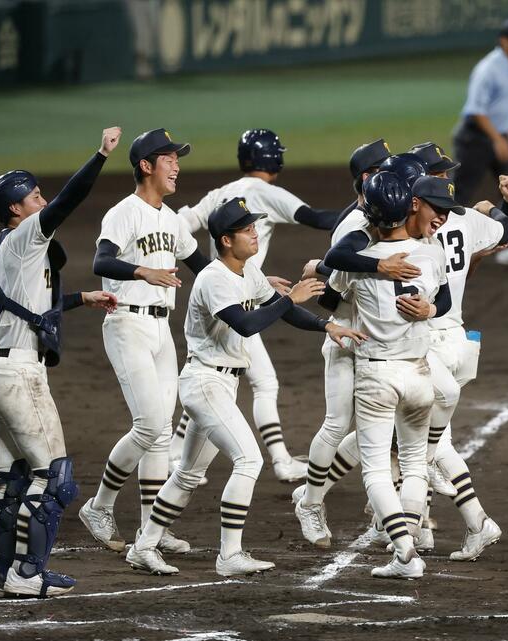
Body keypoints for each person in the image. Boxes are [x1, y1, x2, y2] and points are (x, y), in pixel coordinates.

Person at [124, 198, 365, 576]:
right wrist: (288, 300)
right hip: (206, 382)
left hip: (220, 382)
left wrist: (325, 325)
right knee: (249, 460)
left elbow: (279, 307)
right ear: (225, 239)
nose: (255, 234)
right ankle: (230, 555)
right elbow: (247, 324)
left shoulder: (246, 270)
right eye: (247, 229)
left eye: (254, 227)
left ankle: (144, 545)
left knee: (187, 473)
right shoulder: (214, 278)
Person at [0, 127, 121, 597]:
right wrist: (100, 155)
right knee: (52, 477)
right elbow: (68, 201)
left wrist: (83, 297)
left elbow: (28, 306)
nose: (42, 201)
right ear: (15, 209)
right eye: (34, 196)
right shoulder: (25, 236)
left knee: (7, 477)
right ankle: (26, 574)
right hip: (20, 375)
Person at [174, 128, 343, 483]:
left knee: (212, 376)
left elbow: (178, 226)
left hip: (236, 293)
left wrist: (212, 272)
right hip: (238, 306)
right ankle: (279, 460)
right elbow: (317, 219)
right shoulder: (264, 192)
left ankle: (180, 454)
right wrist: (364, 210)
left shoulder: (221, 193)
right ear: (273, 158)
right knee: (258, 381)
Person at [80, 128, 211, 555]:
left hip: (160, 330)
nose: (177, 165)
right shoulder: (125, 212)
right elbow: (101, 259)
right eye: (169, 158)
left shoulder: (171, 220)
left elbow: (204, 268)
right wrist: (142, 271)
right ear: (145, 165)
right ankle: (98, 506)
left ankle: (151, 528)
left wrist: (255, 282)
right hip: (126, 324)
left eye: (177, 158)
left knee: (160, 433)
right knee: (150, 425)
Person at [319, 173, 454, 578]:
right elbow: (443, 297)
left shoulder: (361, 263)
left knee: (377, 469)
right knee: (414, 464)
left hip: (377, 376)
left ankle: (405, 552)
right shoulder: (430, 254)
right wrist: (429, 309)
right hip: (419, 373)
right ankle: (408, 549)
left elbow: (330, 282)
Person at [452, 17, 508, 266]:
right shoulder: (487, 69)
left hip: (499, 136)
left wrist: (503, 137)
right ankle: (436, 239)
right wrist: (497, 139)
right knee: (458, 193)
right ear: (504, 41)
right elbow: (476, 110)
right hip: (475, 138)